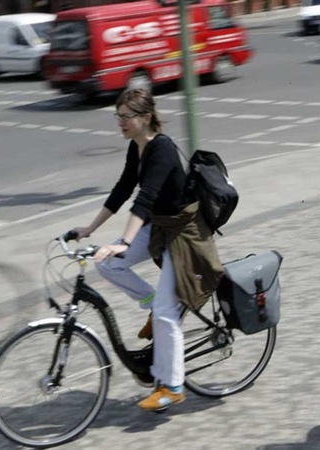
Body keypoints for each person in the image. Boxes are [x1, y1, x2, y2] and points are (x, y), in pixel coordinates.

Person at [73, 88, 222, 412]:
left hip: (183, 233)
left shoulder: (162, 150)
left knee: (169, 314)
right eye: (118, 116)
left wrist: (124, 242)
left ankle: (173, 387)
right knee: (108, 264)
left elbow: (145, 199)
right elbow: (123, 190)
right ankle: (152, 305)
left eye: (126, 117)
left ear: (144, 117)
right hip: (158, 226)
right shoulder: (136, 147)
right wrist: (90, 229)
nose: (120, 122)